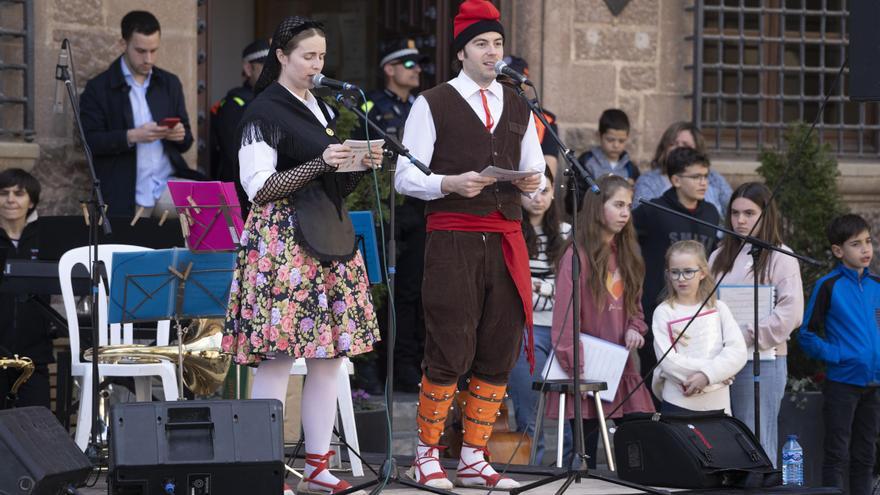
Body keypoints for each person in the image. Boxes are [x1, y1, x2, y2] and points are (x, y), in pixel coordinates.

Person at [219, 16, 383, 495]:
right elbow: (260, 188)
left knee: (329, 358)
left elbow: (333, 185)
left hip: (326, 236)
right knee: (277, 356)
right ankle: (262, 467)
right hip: (282, 243)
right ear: (282, 57)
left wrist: (354, 163)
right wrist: (321, 162)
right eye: (308, 56)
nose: (317, 65)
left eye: (322, 57)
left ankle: (318, 465)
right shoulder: (262, 112)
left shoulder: (320, 108)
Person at [393, 0, 545, 488]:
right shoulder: (432, 103)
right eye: (482, 43)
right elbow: (404, 177)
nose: (491, 52)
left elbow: (537, 173)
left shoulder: (518, 103)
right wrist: (447, 184)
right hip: (453, 237)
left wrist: (534, 187)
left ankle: (476, 454)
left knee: (498, 344)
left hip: (505, 237)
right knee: (449, 345)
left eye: (497, 43)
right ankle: (426, 454)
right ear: (462, 52)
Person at [547, 174, 655, 468]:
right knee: (586, 451)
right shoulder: (576, 254)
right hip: (585, 365)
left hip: (619, 363)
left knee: (633, 436)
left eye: (629, 206)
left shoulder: (628, 254)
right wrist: (576, 365)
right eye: (618, 204)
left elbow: (634, 304)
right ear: (598, 207)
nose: (625, 212)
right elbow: (565, 317)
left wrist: (635, 326)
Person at [353, 38, 430, 394]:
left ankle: (404, 365)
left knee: (410, 291)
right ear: (390, 68)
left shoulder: (421, 107)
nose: (416, 71)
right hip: (381, 207)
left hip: (415, 207)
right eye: (408, 65)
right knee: (374, 289)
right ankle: (369, 366)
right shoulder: (370, 106)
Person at [709, 182, 804, 466]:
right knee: (725, 436)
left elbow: (791, 312)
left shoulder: (781, 255)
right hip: (722, 360)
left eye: (749, 213)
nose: (740, 220)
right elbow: (708, 305)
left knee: (755, 436)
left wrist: (743, 336)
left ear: (766, 215)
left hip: (762, 359)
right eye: (735, 213)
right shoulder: (719, 255)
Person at [80, 10, 201, 218]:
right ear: (122, 44)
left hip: (166, 186)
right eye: (141, 51)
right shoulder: (98, 88)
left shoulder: (169, 83)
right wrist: (132, 136)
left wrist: (179, 135)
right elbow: (90, 141)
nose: (148, 59)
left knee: (212, 202)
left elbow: (187, 141)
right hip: (126, 193)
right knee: (130, 248)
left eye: (154, 50)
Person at [798, 214, 880, 495]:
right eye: (856, 244)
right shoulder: (828, 285)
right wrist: (838, 355)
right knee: (836, 454)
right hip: (842, 384)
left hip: (874, 384)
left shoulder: (877, 286)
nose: (866, 249)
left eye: (868, 241)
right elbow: (806, 333)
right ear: (838, 251)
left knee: (866, 454)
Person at [632, 146, 721, 388]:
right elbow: (625, 241)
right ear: (676, 180)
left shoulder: (711, 213)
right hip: (659, 309)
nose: (703, 183)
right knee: (657, 381)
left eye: (706, 176)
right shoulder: (653, 211)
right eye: (696, 177)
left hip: (698, 312)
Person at [507, 169, 572, 465]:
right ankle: (530, 469)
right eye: (531, 191)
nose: (537, 198)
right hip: (524, 329)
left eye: (544, 191)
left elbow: (570, 287)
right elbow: (512, 286)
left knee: (567, 409)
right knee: (527, 410)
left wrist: (538, 285)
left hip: (561, 330)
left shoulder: (566, 233)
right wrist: (549, 289)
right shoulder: (510, 230)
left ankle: (569, 468)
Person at [651, 240, 747, 414]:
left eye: (688, 272)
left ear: (702, 273)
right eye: (675, 272)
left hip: (718, 404)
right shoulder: (663, 312)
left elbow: (738, 351)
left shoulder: (719, 308)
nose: (681, 279)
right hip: (679, 401)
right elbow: (669, 361)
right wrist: (717, 374)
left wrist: (707, 376)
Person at [0, 168, 53, 409]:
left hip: (34, 357)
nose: (10, 199)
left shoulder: (48, 238)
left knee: (36, 432)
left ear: (31, 201)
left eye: (18, 193)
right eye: (3, 193)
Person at [210, 39, 269, 213]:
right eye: (265, 66)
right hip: (243, 199)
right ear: (248, 68)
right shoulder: (234, 104)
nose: (273, 72)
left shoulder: (277, 100)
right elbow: (235, 156)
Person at [633, 121, 732, 216]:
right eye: (673, 144)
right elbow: (641, 217)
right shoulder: (649, 181)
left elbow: (732, 210)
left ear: (698, 149)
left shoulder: (715, 179)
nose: (678, 148)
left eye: (685, 145)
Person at [500, 55, 561, 178]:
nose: (508, 85)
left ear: (526, 84)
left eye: (514, 82)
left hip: (530, 189)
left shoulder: (544, 120)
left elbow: (549, 168)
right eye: (502, 80)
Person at [578, 109, 639, 182]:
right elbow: (576, 191)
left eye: (621, 141)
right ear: (599, 136)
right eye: (610, 140)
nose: (616, 145)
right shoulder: (586, 162)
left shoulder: (630, 168)